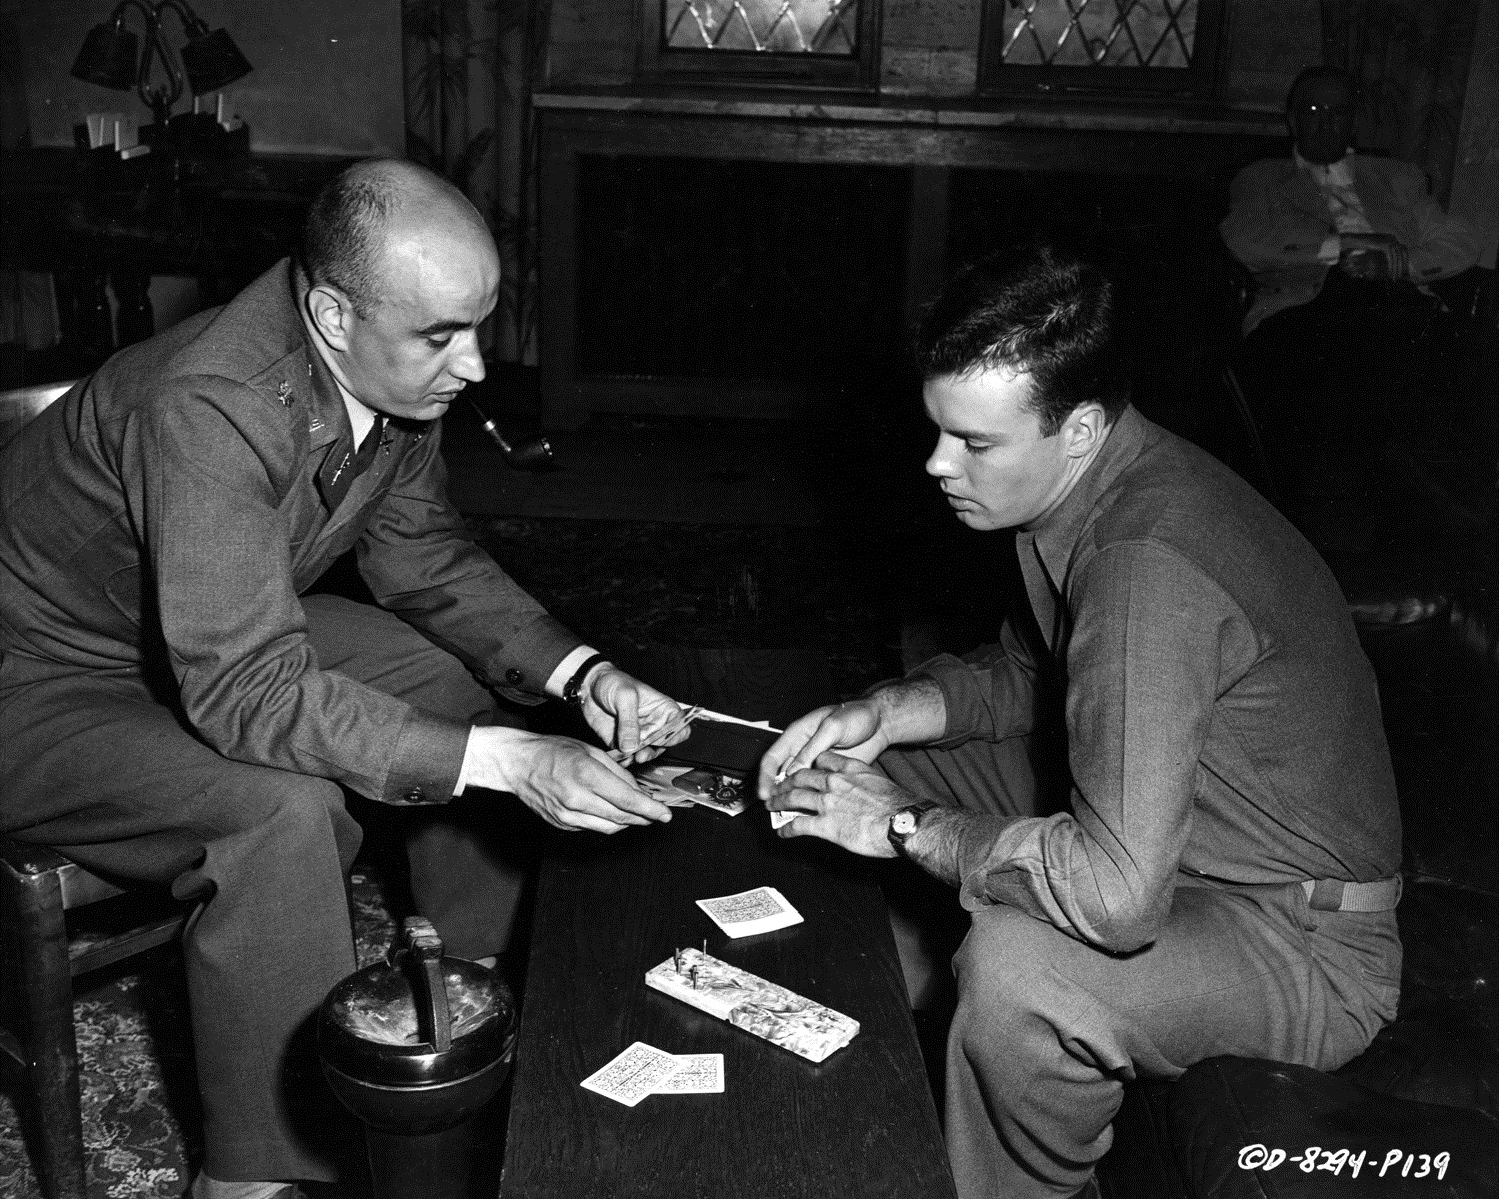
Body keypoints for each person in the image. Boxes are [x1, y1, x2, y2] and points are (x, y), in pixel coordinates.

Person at [0, 159, 687, 1199]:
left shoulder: (386, 365)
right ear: (330, 312)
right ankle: (259, 1171)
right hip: (35, 679)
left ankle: (477, 989)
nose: (475, 366)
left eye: (481, 325)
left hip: (201, 623)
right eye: (442, 337)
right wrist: (503, 762)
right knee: (280, 812)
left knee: (443, 677)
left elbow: (420, 558)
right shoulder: (210, 402)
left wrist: (580, 673)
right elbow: (247, 693)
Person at [759, 239, 1403, 1199]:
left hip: (1298, 940)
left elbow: (1113, 899)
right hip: (1179, 841)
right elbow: (1032, 676)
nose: (936, 464)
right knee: (892, 760)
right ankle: (880, 1053)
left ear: (1081, 427)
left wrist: (900, 826)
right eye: (938, 430)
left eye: (974, 443)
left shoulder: (1146, 563)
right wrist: (889, 711)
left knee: (1020, 972)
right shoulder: (1098, 485)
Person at [1220, 64, 1479, 339]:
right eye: (1313, 111)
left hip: (1395, 311)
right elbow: (1243, 239)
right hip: (1304, 317)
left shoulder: (1397, 178)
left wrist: (1398, 266)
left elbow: (1462, 240)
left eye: (1338, 112)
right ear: (1293, 121)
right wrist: (1347, 243)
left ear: (1353, 123)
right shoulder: (1262, 177)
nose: (1326, 122)